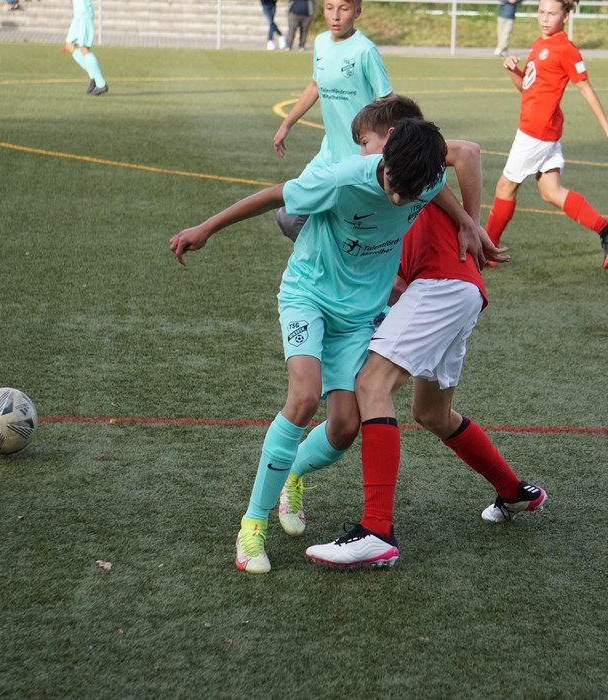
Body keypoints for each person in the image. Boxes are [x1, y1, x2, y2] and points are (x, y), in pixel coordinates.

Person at [171, 111, 480, 575]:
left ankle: (291, 474)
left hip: (359, 317)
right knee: (303, 398)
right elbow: (274, 196)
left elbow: (444, 182)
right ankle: (252, 525)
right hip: (308, 297)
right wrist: (206, 228)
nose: (398, 199)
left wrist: (467, 222)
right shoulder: (341, 180)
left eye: (410, 194)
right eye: (393, 186)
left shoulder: (426, 175)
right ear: (386, 152)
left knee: (344, 428)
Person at [270, 99, 545, 569]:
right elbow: (393, 286)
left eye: (365, 143)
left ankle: (376, 531)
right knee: (432, 412)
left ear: (392, 138)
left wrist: (471, 223)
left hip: (443, 285)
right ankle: (514, 492)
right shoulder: (392, 199)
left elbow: (468, 151)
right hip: (457, 293)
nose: (361, 154)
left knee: (371, 385)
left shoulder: (407, 167)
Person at [484, 0, 608, 270]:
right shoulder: (539, 44)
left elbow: (585, 88)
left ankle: (486, 251)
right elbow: (526, 87)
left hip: (536, 131)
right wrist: (513, 70)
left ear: (566, 17)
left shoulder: (566, 50)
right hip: (543, 129)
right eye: (541, 12)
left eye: (552, 13)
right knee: (551, 192)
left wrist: (607, 128)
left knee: (505, 186)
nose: (545, 18)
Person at [273, 0, 393, 241]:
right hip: (328, 154)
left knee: (355, 227)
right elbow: (315, 85)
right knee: (289, 216)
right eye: (329, 8)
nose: (335, 16)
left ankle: (343, 257)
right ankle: (329, 255)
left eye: (344, 9)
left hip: (359, 158)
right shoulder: (320, 43)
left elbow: (388, 101)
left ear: (357, 11)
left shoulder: (365, 50)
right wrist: (287, 124)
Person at [63, 0, 108, 96]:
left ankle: (101, 84)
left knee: (84, 48)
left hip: (83, 13)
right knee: (69, 45)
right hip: (79, 13)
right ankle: (93, 77)